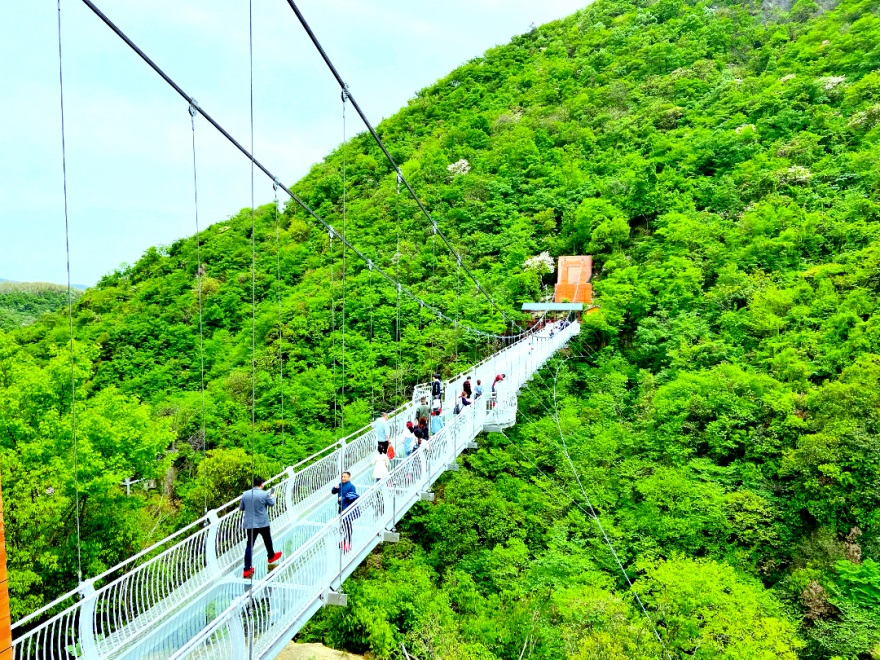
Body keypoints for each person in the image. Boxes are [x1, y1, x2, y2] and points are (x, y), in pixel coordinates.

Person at [240, 477, 282, 578]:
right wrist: (273, 496)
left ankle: (247, 569)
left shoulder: (245, 494)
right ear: (262, 484)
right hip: (263, 523)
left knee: (249, 546)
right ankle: (271, 556)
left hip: (250, 524)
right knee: (267, 540)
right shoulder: (264, 494)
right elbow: (271, 503)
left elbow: (241, 508)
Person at [331, 472, 359, 552]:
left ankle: (348, 543)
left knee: (348, 525)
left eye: (345, 477)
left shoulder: (351, 486)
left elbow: (353, 497)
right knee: (343, 525)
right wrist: (335, 488)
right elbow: (333, 492)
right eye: (342, 476)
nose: (343, 478)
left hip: (347, 508)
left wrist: (343, 498)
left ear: (349, 477)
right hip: (341, 507)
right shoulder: (340, 485)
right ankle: (344, 540)